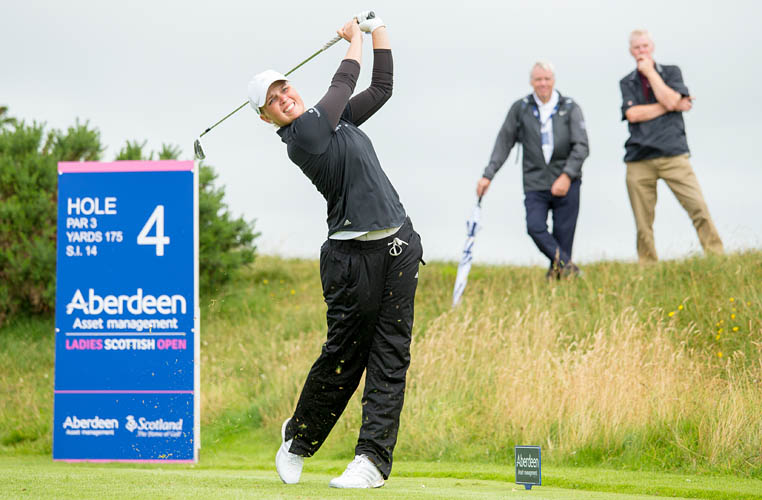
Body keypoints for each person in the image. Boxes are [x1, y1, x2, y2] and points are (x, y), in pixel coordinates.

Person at [247, 13, 423, 489]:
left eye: (285, 89)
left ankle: (371, 460)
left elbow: (382, 88)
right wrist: (352, 41)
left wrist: (379, 28)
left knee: (391, 355)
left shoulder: (334, 119)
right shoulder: (301, 137)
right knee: (344, 358)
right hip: (351, 259)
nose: (284, 98)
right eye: (273, 101)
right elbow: (345, 81)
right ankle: (298, 440)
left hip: (399, 244)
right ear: (267, 118)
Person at [476, 62, 589, 279]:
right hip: (535, 182)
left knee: (563, 237)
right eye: (538, 79)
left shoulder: (570, 107)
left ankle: (557, 281)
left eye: (547, 79)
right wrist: (488, 175)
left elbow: (582, 145)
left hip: (568, 182)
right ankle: (570, 269)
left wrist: (566, 176)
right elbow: (504, 143)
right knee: (535, 226)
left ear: (554, 80)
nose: (543, 83)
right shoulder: (521, 108)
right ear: (531, 82)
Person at [620, 29, 723, 263]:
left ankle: (716, 257)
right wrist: (672, 104)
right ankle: (648, 266)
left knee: (698, 207)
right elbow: (633, 114)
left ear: (652, 47)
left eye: (645, 46)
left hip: (673, 154)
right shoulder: (627, 82)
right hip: (638, 158)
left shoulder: (671, 72)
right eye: (637, 48)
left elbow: (667, 99)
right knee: (643, 222)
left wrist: (650, 73)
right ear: (630, 51)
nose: (641, 51)